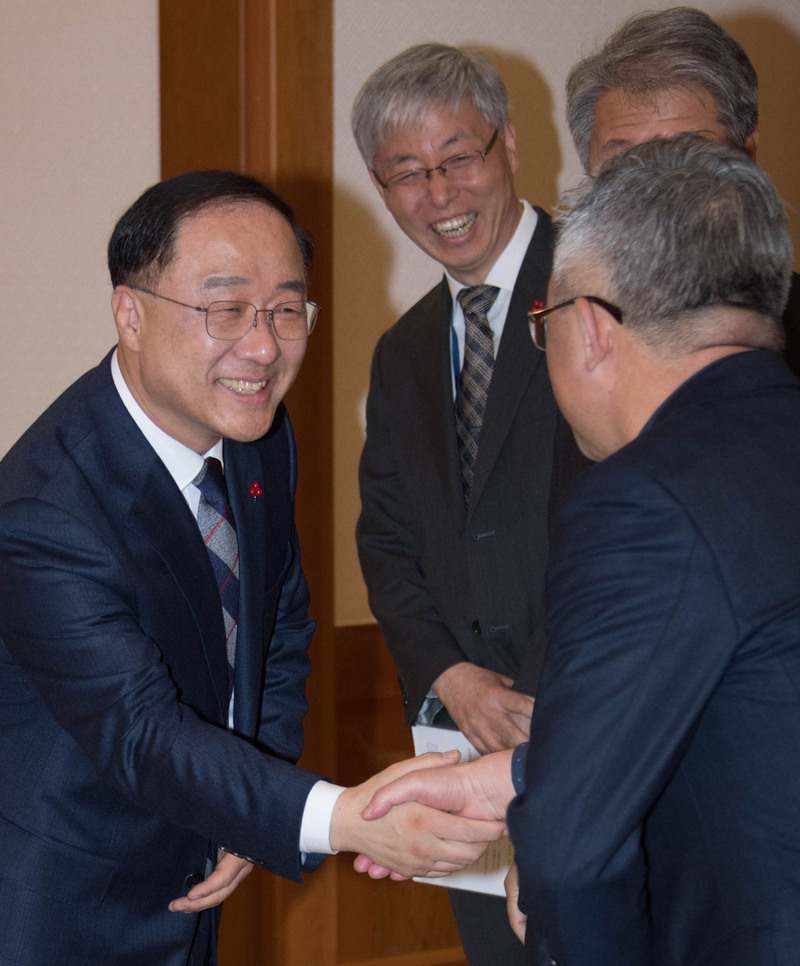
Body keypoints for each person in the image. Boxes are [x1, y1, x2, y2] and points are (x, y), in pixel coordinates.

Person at [0, 169, 504, 966]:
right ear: (129, 314)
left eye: (285, 310)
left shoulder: (259, 432)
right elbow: (141, 733)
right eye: (227, 309)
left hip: (199, 861)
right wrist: (335, 818)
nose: (264, 346)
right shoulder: (45, 508)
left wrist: (252, 804)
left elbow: (281, 620)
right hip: (66, 895)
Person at [361, 134, 800, 965]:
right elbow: (727, 714)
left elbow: (571, 849)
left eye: (545, 323)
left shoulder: (645, 498)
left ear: (590, 328)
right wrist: (519, 775)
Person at [351, 43, 586, 964]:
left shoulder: (602, 286)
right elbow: (387, 542)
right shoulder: (402, 352)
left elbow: (642, 518)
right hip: (457, 748)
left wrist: (541, 695)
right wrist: (451, 675)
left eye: (458, 158)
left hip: (599, 725)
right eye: (408, 173)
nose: (440, 194)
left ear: (510, 144)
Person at [565, 5, 800, 374]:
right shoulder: (558, 342)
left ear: (747, 156)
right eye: (624, 165)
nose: (657, 191)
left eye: (688, 157)